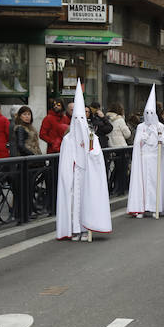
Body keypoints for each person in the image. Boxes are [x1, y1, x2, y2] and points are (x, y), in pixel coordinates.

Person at [55, 81, 111, 241]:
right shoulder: (68, 139)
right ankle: (74, 229)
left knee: (86, 201)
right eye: (76, 117)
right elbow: (65, 159)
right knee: (73, 202)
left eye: (82, 117)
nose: (79, 121)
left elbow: (98, 156)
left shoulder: (92, 136)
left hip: (87, 173)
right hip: (73, 174)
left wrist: (92, 154)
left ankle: (87, 228)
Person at [128, 85, 164, 218]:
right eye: (146, 113)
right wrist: (143, 138)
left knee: (155, 183)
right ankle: (142, 207)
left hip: (156, 159)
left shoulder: (160, 127)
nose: (148, 116)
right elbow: (137, 144)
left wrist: (161, 140)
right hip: (143, 160)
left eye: (151, 113)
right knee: (143, 184)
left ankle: (156, 207)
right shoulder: (141, 127)